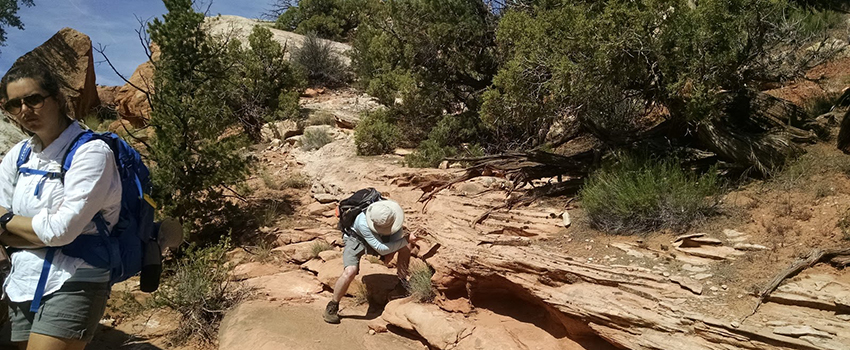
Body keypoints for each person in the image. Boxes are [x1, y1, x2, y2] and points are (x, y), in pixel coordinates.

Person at [0, 63, 122, 350]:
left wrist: (6, 220)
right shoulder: (20, 155)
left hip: (76, 274)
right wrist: (32, 232)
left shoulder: (91, 152)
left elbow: (61, 231)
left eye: (33, 99)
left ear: (57, 98)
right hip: (24, 279)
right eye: (15, 104)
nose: (25, 110)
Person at [323, 199, 419, 324]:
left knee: (405, 248)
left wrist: (392, 251)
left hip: (381, 237)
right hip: (356, 239)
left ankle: (402, 282)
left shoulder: (392, 215)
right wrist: (406, 239)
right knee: (350, 271)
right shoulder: (361, 222)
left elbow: (393, 241)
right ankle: (333, 305)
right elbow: (380, 248)